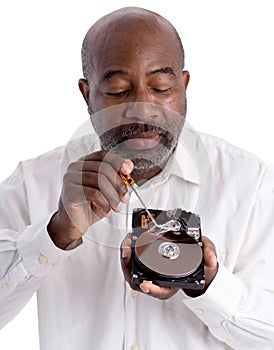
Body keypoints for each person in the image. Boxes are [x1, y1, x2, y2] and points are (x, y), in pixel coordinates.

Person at [0, 6, 274, 350]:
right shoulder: (31, 182)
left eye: (160, 87)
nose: (143, 108)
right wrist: (56, 232)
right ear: (87, 95)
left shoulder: (250, 184)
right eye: (117, 90)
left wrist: (208, 283)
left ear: (184, 86)